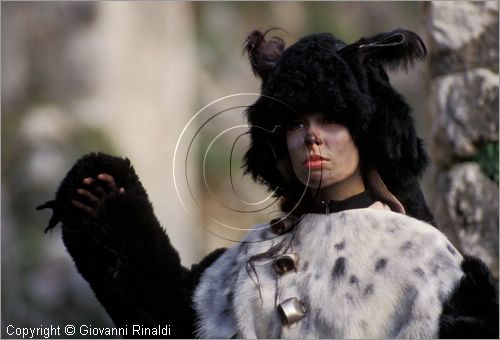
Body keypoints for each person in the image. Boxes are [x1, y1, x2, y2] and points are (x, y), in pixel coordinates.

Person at [39, 28, 498, 338]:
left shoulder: (422, 256)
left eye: (331, 118)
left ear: (367, 131)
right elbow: (168, 323)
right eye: (296, 123)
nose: (311, 135)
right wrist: (114, 222)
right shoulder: (252, 254)